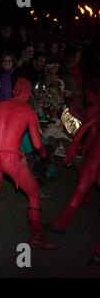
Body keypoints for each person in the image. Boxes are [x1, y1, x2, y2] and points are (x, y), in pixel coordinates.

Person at [0, 78, 59, 250]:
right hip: (10, 158)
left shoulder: (1, 105)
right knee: (34, 195)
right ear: (28, 93)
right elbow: (37, 143)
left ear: (14, 91)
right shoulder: (28, 110)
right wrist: (42, 154)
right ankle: (37, 238)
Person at [47, 93, 100, 234]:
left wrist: (78, 146)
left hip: (96, 153)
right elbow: (92, 129)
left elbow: (90, 128)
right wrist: (81, 146)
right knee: (81, 188)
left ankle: (61, 224)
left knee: (81, 188)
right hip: (96, 152)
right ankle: (61, 223)